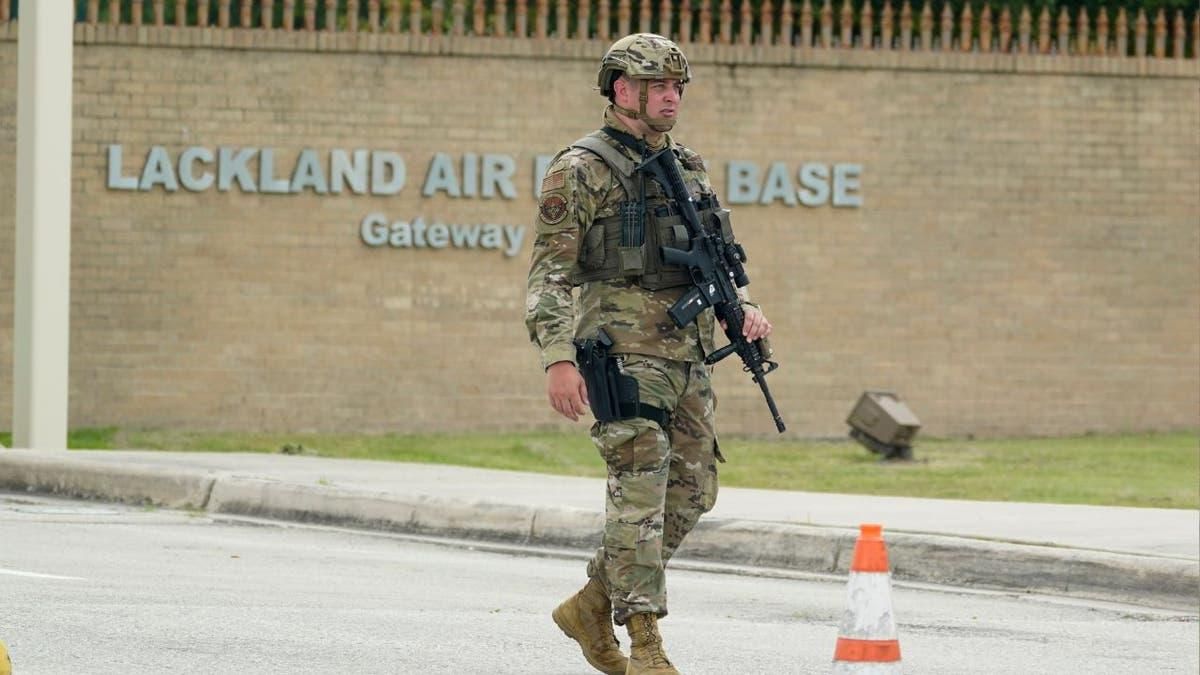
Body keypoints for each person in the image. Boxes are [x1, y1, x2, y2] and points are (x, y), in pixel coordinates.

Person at [524, 33, 772, 675]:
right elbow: (549, 274)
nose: (671, 96)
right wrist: (557, 358)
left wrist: (741, 309)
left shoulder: (686, 165)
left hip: (687, 353)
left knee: (692, 491)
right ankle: (646, 644)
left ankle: (590, 604)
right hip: (620, 351)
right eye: (658, 85)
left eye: (677, 86)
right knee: (639, 491)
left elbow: (716, 258)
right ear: (620, 90)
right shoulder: (579, 168)